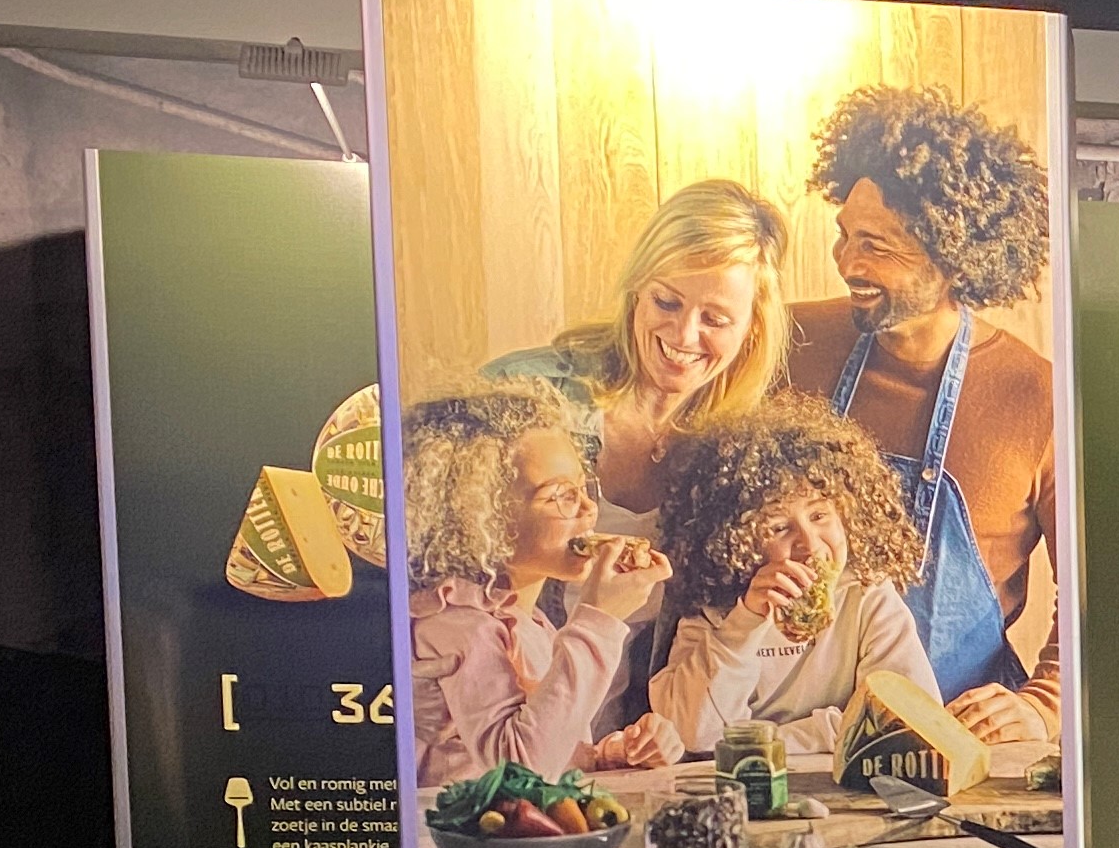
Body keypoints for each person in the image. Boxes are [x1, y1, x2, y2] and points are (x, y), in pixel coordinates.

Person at [779, 86, 1060, 761]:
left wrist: (1044, 705)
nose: (849, 263)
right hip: (797, 737)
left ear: (952, 256)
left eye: (877, 246)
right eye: (846, 235)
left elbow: (1100, 594)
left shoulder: (1037, 396)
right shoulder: (788, 346)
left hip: (956, 744)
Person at [399, 381, 675, 791]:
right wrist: (599, 619)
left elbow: (549, 746)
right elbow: (521, 770)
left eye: (583, 487)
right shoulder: (457, 625)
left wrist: (606, 755)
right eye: (560, 495)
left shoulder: (531, 622)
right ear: (480, 517)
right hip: (458, 831)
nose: (589, 509)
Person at [641, 393, 944, 763]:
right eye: (779, 527)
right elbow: (694, 733)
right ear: (735, 539)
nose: (809, 544)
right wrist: (744, 623)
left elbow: (911, 721)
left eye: (819, 516)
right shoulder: (712, 608)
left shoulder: (867, 594)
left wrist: (766, 742)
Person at [485, 177, 792, 527]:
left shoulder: (750, 452)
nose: (684, 334)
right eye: (666, 302)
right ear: (637, 289)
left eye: (715, 320)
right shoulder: (516, 395)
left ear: (753, 327)